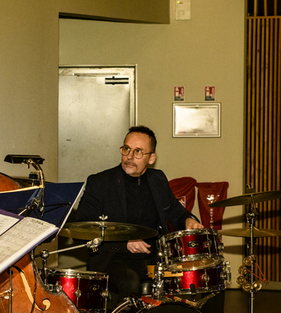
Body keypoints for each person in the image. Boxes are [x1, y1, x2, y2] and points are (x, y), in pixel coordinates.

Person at [73, 126, 203, 300]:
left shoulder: (158, 179)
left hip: (153, 258)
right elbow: (80, 229)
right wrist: (124, 243)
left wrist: (188, 219)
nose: (130, 156)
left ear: (151, 158)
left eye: (138, 151)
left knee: (198, 277)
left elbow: (174, 210)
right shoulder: (100, 183)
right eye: (127, 149)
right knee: (130, 282)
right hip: (113, 259)